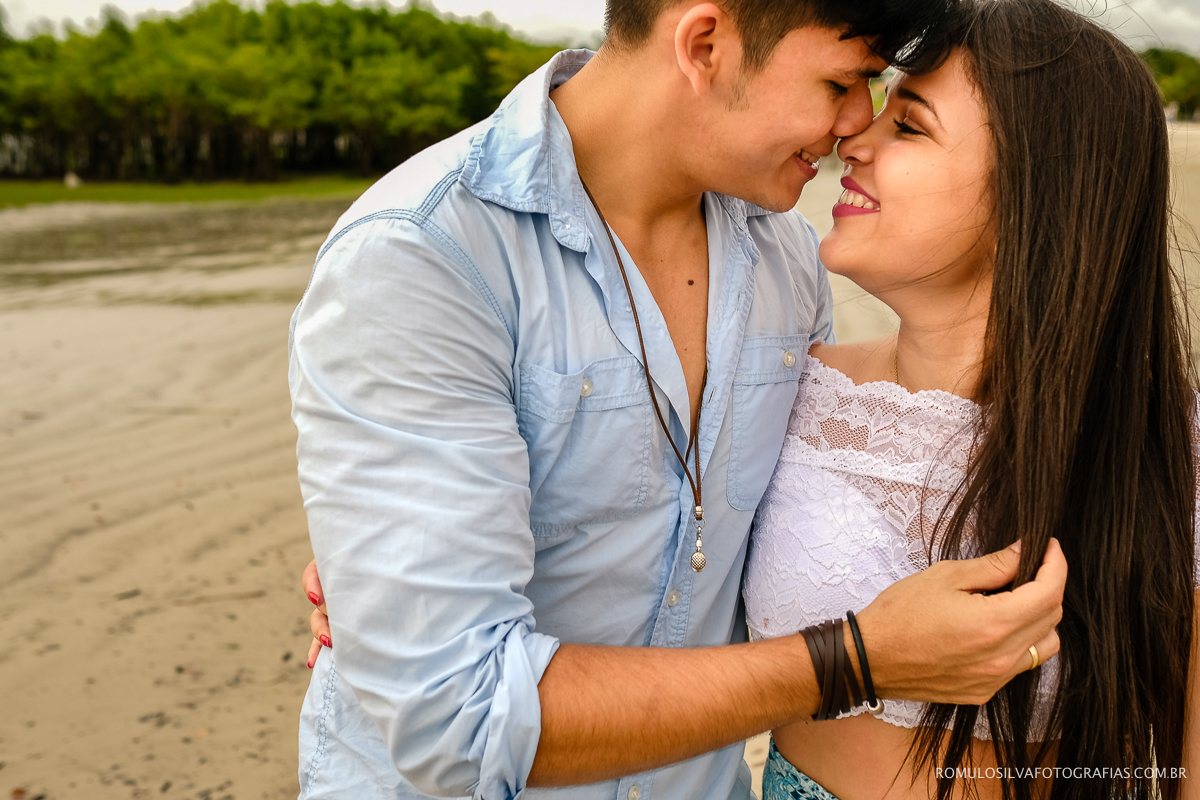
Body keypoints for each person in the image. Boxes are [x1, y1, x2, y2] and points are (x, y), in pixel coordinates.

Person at [288, 2, 1067, 799]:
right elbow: (463, 719)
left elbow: (787, 520)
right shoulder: (425, 255)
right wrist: (856, 661)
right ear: (703, 44)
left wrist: (381, 572)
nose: (852, 124)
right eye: (844, 80)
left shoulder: (786, 259)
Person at [740, 1, 1199, 798]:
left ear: (1037, 184)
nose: (854, 139)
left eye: (909, 126)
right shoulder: (790, 393)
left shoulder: (1166, 445)